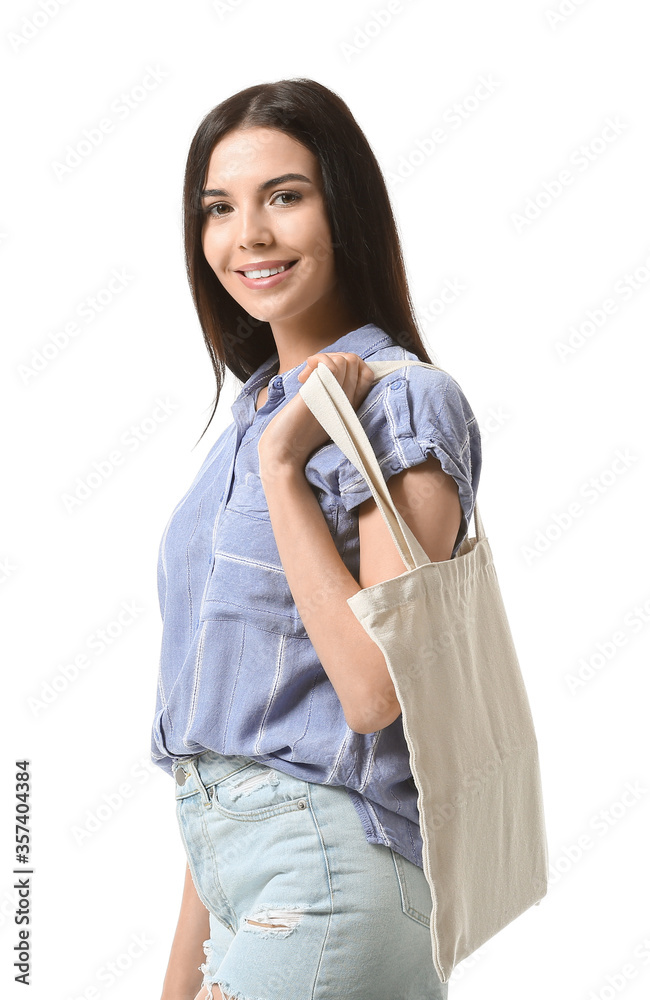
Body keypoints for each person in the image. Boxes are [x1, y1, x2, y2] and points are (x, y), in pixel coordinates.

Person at [154, 78, 481, 1000]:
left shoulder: (403, 400)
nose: (246, 234)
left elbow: (378, 687)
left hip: (329, 876)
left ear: (346, 212)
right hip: (235, 875)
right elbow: (227, 741)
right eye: (220, 208)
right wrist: (181, 978)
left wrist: (285, 473)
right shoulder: (250, 419)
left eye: (284, 196)